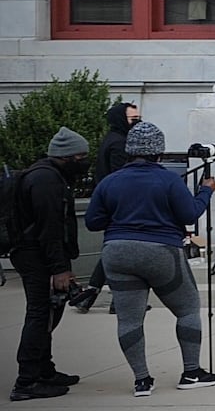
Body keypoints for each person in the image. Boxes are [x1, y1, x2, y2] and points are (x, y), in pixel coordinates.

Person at [84, 121, 215, 397]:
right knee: (187, 308)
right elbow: (189, 215)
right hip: (160, 251)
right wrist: (206, 191)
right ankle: (191, 372)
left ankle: (142, 380)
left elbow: (92, 222)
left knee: (129, 320)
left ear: (129, 151)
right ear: (159, 153)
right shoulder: (168, 180)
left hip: (117, 251)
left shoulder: (109, 182)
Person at [8, 127, 88, 402]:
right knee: (41, 315)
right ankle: (27, 381)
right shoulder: (45, 180)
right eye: (81, 155)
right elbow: (49, 228)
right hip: (37, 257)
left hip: (36, 254)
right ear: (66, 156)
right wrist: (59, 268)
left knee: (49, 313)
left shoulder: (46, 174)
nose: (85, 160)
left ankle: (44, 370)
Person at [70, 102, 137, 315]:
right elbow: (121, 177)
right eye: (133, 119)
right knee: (122, 253)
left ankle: (91, 296)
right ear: (121, 119)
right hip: (120, 208)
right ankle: (116, 300)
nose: (137, 123)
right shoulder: (119, 144)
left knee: (113, 252)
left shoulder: (113, 139)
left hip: (113, 206)